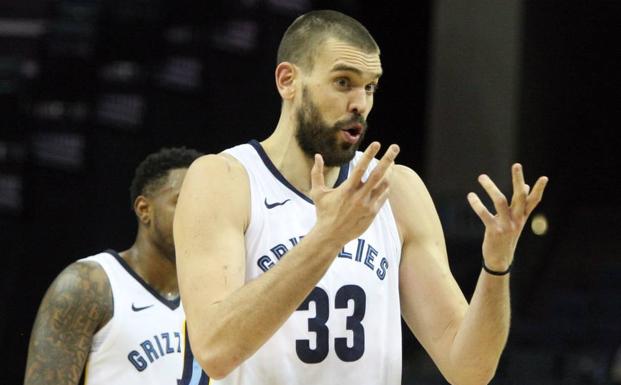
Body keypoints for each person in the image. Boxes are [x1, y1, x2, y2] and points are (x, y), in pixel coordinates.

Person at [174, 10, 548, 385]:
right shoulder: (224, 180)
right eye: (343, 82)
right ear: (288, 81)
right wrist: (328, 237)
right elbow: (215, 351)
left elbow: (469, 370)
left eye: (369, 87)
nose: (361, 103)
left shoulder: (398, 190)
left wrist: (497, 266)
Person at [24, 146, 203, 385]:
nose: (199, 213)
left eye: (206, 204)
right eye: (183, 201)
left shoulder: (221, 294)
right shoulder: (89, 285)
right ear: (144, 209)